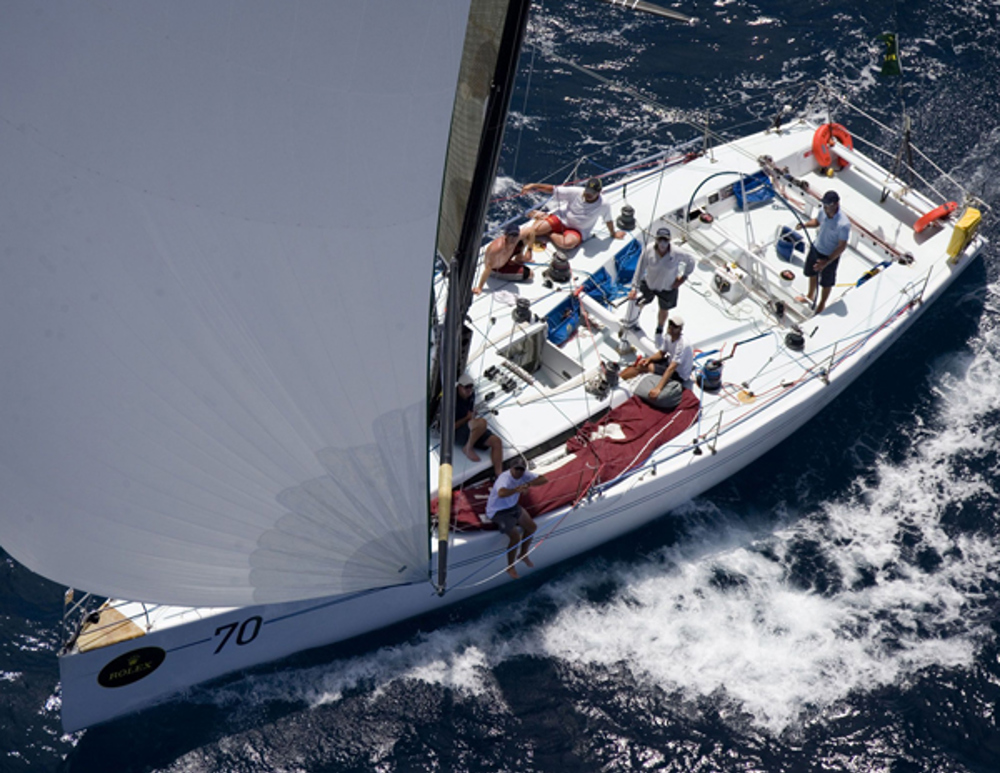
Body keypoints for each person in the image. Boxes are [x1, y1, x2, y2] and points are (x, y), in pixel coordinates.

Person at [627, 227, 695, 348]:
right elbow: (640, 268)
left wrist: (683, 277)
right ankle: (634, 321)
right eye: (660, 239)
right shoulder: (648, 250)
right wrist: (634, 287)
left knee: (663, 309)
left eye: (666, 239)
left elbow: (691, 260)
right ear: (656, 239)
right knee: (641, 302)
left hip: (668, 287)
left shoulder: (678, 253)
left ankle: (659, 331)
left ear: (669, 240)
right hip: (650, 284)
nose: (663, 242)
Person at [520, 176, 625, 251]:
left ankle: (549, 232)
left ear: (599, 192)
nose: (588, 194)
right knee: (535, 231)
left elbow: (608, 220)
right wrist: (533, 186)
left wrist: (613, 233)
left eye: (592, 193)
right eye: (587, 191)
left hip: (578, 231)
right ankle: (543, 220)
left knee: (567, 244)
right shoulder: (576, 192)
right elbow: (553, 189)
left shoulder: (604, 204)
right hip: (561, 219)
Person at [485, 459, 548, 579]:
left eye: (521, 469)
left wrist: (528, 484)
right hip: (498, 511)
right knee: (515, 537)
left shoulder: (525, 475)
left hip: (512, 506)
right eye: (516, 469)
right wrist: (516, 490)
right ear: (511, 469)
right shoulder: (504, 478)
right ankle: (510, 567)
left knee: (532, 527)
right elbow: (501, 493)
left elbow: (544, 479)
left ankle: (523, 554)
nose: (519, 472)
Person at [795, 190, 851, 314]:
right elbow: (817, 222)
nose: (826, 208)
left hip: (830, 255)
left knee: (826, 282)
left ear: (836, 204)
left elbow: (842, 246)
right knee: (811, 273)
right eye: (824, 205)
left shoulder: (844, 224)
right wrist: (805, 225)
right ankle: (809, 295)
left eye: (829, 205)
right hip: (817, 247)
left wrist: (827, 261)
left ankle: (821, 303)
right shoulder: (823, 211)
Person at [620, 313, 693, 398]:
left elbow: (671, 368)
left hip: (679, 374)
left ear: (680, 329)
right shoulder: (668, 336)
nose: (671, 327)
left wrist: (658, 388)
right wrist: (649, 359)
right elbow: (662, 353)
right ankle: (620, 378)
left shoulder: (682, 345)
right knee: (642, 363)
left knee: (647, 367)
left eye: (675, 326)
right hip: (669, 362)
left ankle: (621, 380)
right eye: (670, 324)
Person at [454, 373, 503, 476]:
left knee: (497, 442)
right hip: (457, 433)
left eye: (471, 387)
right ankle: (468, 448)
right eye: (466, 387)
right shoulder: (451, 401)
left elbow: (470, 411)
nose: (469, 390)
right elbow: (450, 428)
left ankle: (499, 474)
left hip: (469, 427)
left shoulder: (471, 395)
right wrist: (467, 418)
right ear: (459, 387)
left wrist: (471, 416)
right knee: (482, 423)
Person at [472, 223, 532, 295]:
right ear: (506, 235)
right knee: (530, 274)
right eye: (511, 235)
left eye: (516, 235)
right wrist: (480, 288)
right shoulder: (497, 248)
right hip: (496, 269)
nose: (514, 238)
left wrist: (528, 251)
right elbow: (488, 268)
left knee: (523, 240)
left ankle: (519, 258)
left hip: (506, 258)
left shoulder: (517, 238)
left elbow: (531, 231)